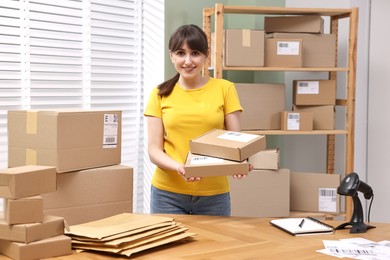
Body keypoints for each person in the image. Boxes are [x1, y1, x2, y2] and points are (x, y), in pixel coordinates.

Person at [144, 24, 251, 216]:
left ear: (205, 56)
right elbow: (153, 150)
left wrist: (241, 162)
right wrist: (180, 168)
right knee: (171, 247)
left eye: (195, 53)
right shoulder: (159, 93)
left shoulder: (225, 89)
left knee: (215, 247)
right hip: (167, 194)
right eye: (180, 53)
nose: (187, 61)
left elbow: (236, 142)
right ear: (171, 56)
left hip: (214, 195)